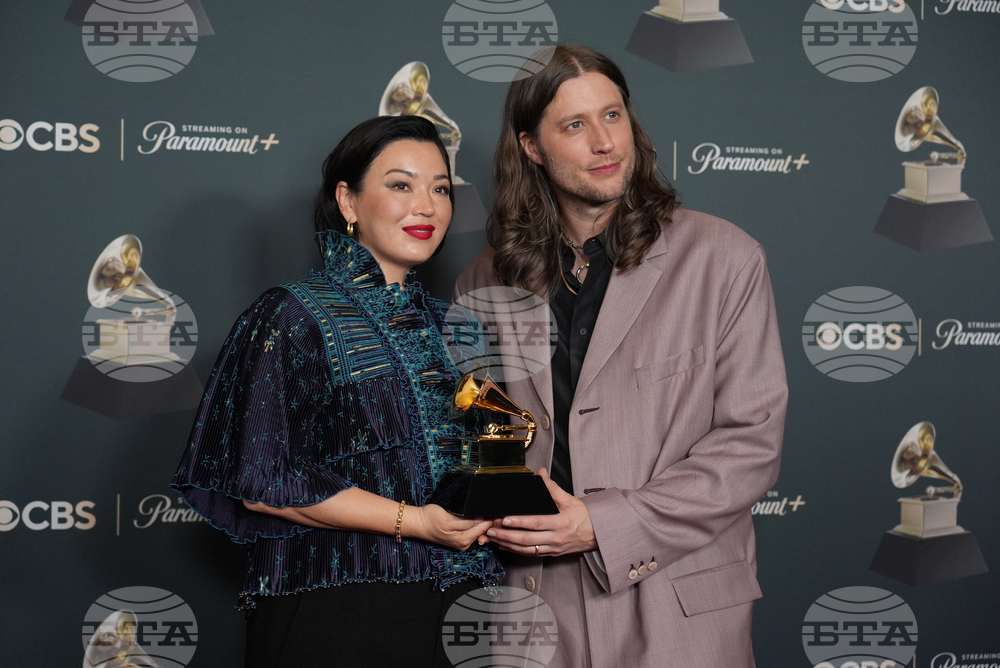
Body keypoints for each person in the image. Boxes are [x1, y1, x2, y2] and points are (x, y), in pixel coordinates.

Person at [455, 44, 788, 668]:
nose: (605, 142)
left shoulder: (725, 258)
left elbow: (750, 445)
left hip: (678, 610)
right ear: (531, 146)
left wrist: (603, 525)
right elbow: (474, 437)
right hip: (535, 613)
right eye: (574, 125)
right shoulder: (484, 281)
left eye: (613, 116)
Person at [171, 115, 500, 667]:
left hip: (459, 610)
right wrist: (417, 521)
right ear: (348, 201)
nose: (426, 206)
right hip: (338, 609)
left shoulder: (456, 329)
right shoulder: (290, 315)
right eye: (401, 185)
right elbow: (263, 480)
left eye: (441, 189)